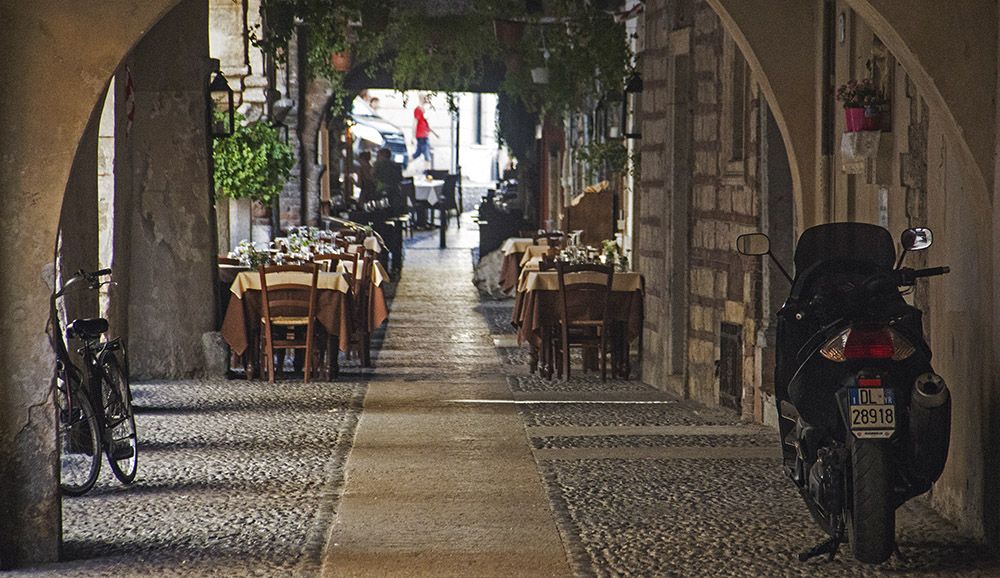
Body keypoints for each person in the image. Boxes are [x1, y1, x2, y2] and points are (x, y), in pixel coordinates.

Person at [373, 148, 405, 274]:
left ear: (381, 155)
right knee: (396, 233)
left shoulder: (378, 166)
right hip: (396, 204)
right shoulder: (396, 166)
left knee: (383, 232)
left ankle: (384, 262)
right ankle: (396, 262)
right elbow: (400, 180)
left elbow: (373, 179)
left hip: (383, 204)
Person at [411, 94, 438, 165]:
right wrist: (413, 136)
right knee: (427, 155)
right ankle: (427, 172)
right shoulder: (418, 110)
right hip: (422, 135)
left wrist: (435, 133)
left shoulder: (423, 110)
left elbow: (426, 124)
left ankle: (404, 165)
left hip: (424, 134)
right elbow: (415, 122)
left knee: (417, 153)